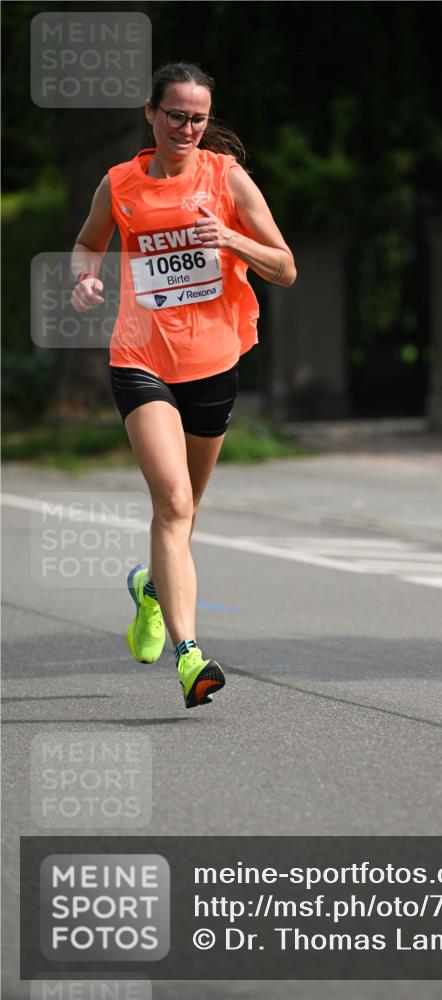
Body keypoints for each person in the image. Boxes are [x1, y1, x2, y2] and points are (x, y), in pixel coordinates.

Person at [70, 61, 296, 708]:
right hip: (139, 357)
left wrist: (228, 236)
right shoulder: (119, 183)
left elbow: (284, 267)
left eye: (198, 118)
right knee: (171, 501)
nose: (187, 127)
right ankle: (189, 654)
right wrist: (84, 277)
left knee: (185, 514)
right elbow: (89, 244)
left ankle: (148, 588)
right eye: (176, 115)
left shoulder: (226, 178)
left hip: (213, 362)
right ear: (151, 112)